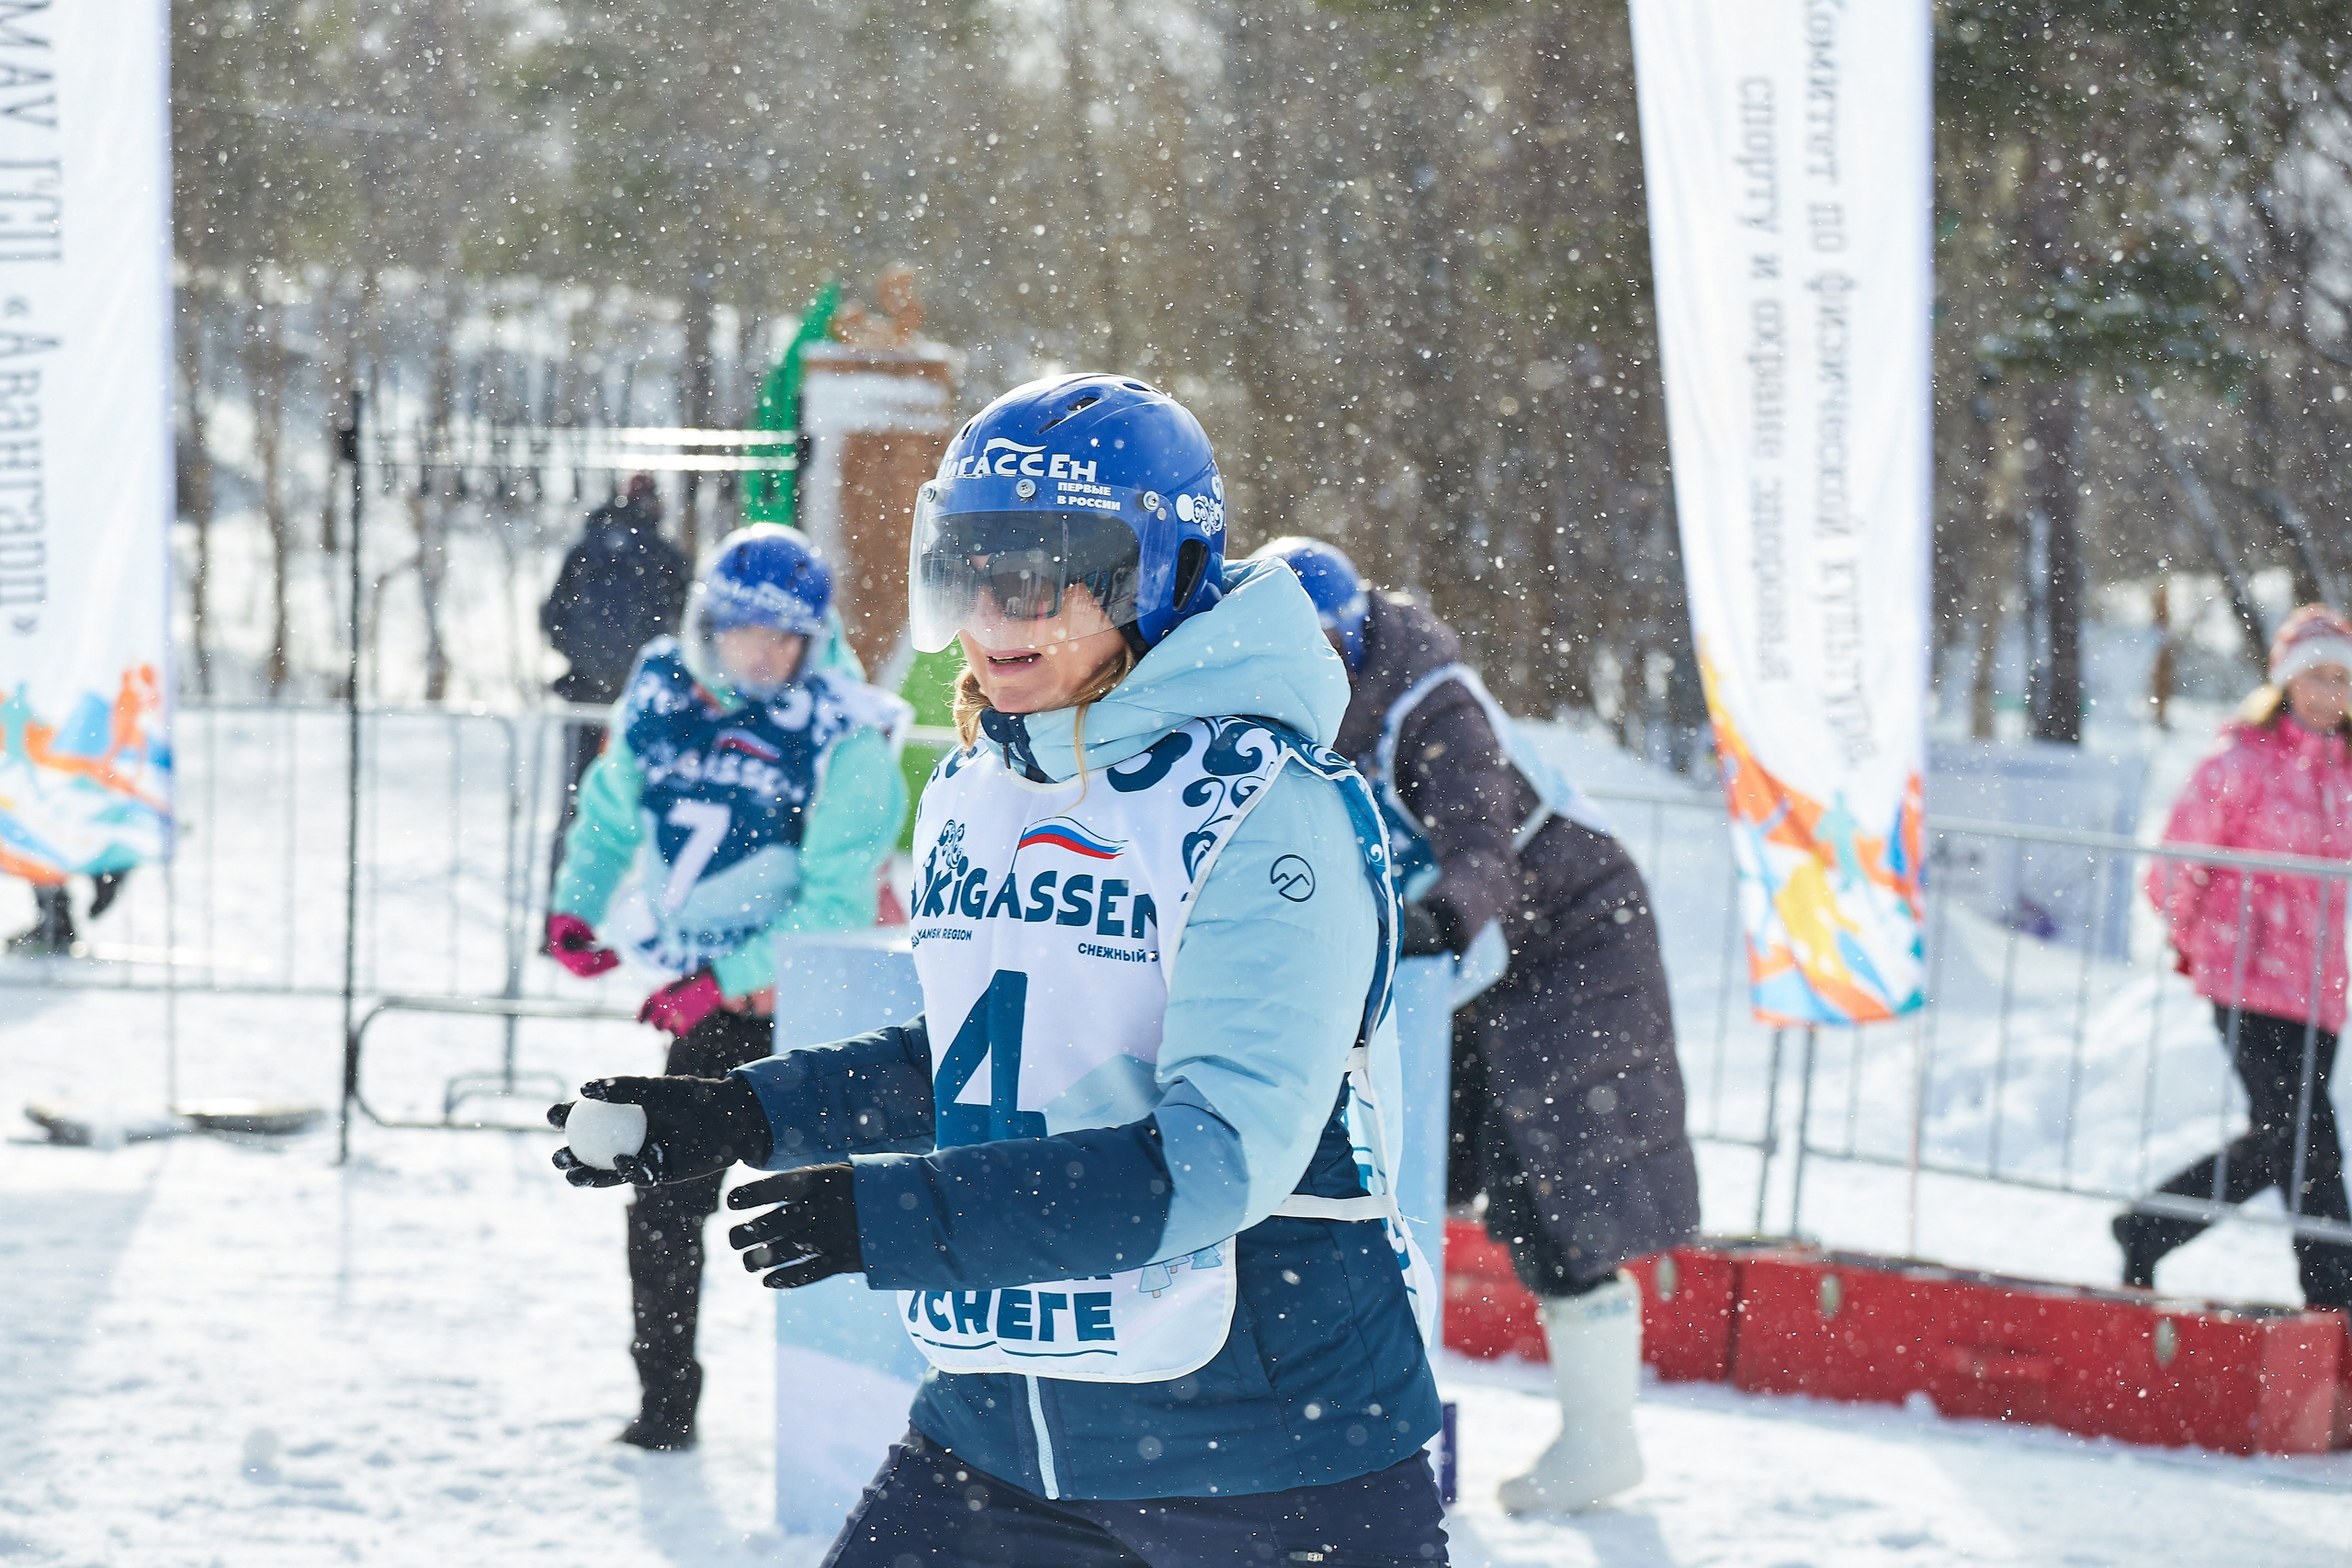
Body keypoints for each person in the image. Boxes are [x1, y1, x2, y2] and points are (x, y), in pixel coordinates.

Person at [552, 376, 1449, 1565]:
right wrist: (739, 1111)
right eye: (963, 567)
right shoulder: (984, 786)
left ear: (1154, 575)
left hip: (1267, 1455)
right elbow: (990, 1051)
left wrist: (897, 1217)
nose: (989, 612)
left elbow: (1216, 1155)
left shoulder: (1269, 810)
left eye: (1029, 571)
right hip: (1002, 1427)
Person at [1255, 536, 1698, 1517]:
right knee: (1398, 1166)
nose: (1310, 677)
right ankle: (1361, 1414)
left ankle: (1600, 1441)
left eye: (1325, 653)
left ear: (1355, 637)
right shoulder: (1277, 722)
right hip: (1461, 965)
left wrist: (1423, 922)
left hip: (1569, 936)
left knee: (1553, 1183)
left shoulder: (1431, 702)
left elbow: (1480, 851)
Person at [543, 525, 910, 1450]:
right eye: (746, 629)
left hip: (834, 1017)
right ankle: (664, 1405)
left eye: (786, 634)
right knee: (663, 1204)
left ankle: (872, 1431)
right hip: (716, 1012)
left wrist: (721, 984)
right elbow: (613, 807)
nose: (764, 651)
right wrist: (575, 906)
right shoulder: (665, 692)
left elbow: (831, 903)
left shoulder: (846, 734)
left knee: (848, 1217)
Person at [2116, 603, 2352, 1307]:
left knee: (2283, 1136)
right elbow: (2179, 859)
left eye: (2341, 679)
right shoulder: (2242, 760)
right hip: (2244, 977)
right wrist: (2191, 939)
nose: (2328, 692)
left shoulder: (2347, 775)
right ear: (2285, 682)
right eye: (2315, 676)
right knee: (2310, 1142)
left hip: (2321, 984)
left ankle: (2150, 1226)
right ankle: (2336, 1292)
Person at [540, 474, 693, 886]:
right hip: (644, 701)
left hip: (585, 696)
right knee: (653, 808)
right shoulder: (665, 555)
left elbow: (552, 618)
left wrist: (586, 664)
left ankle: (561, 916)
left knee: (576, 804)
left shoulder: (586, 551)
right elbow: (692, 626)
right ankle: (633, 916)